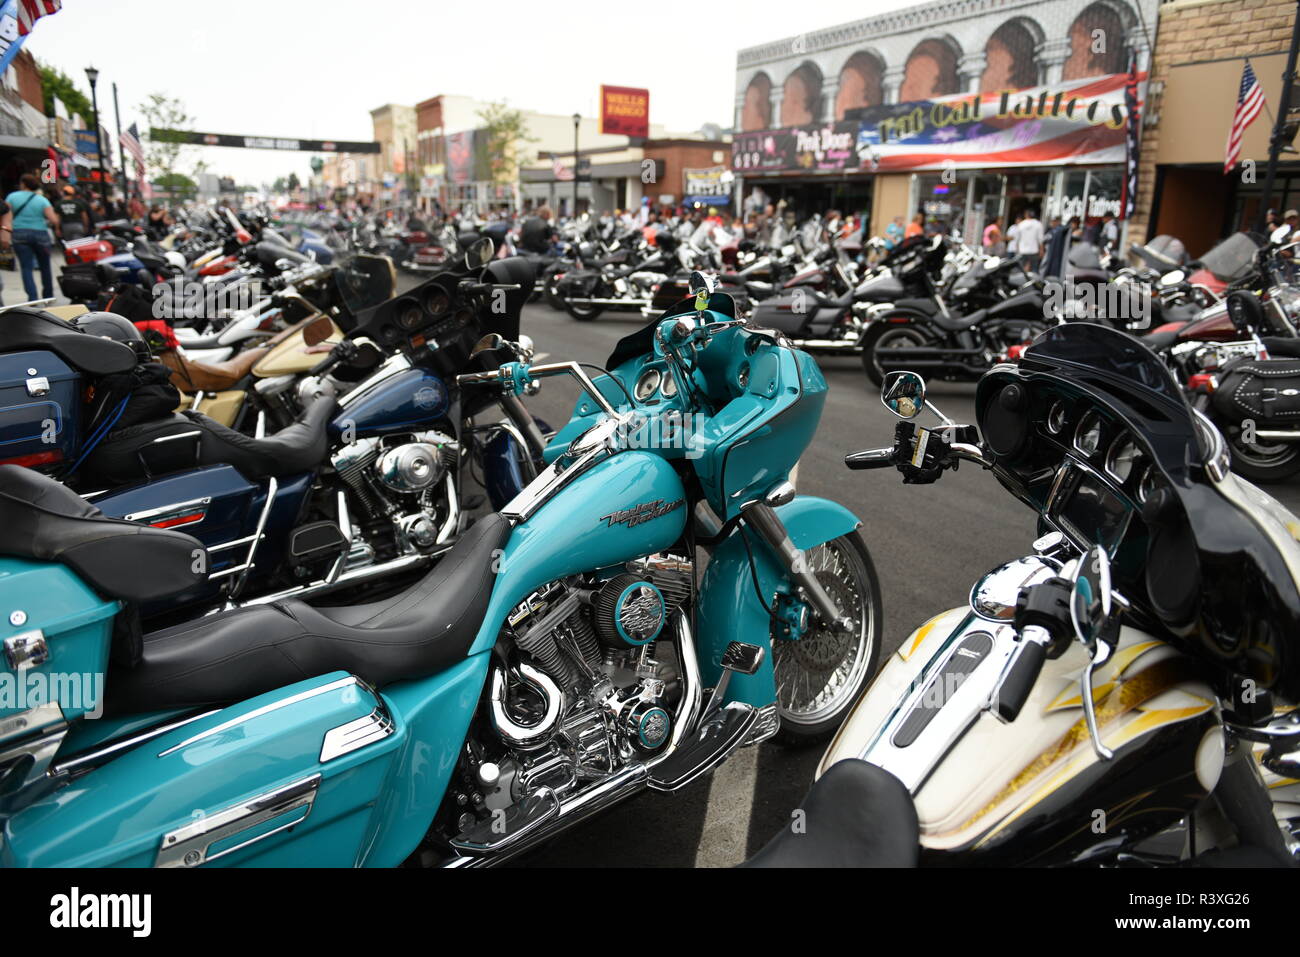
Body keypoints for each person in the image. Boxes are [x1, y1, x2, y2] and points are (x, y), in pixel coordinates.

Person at [6, 173, 58, 302]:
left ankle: (33, 298)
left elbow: (6, 216)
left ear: (23, 184)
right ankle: (48, 296)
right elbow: (54, 219)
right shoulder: (42, 199)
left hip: (19, 233)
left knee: (26, 267)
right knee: (45, 267)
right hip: (40, 233)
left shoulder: (12, 197)